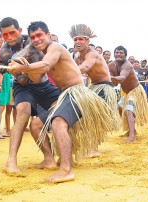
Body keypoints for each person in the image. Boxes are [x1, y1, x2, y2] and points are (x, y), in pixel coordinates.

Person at [7, 21, 114, 183]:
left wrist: (23, 68)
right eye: (32, 37)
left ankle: (66, 170)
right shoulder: (41, 54)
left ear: (48, 35)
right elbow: (37, 77)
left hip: (76, 93)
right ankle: (50, 160)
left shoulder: (54, 47)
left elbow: (46, 65)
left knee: (58, 123)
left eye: (39, 35)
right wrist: (22, 65)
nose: (36, 39)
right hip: (64, 95)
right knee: (36, 124)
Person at [0, 17, 60, 175]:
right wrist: (20, 69)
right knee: (23, 111)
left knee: (63, 109)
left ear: (19, 31)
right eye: (5, 35)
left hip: (44, 84)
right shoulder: (3, 51)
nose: (9, 37)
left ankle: (50, 158)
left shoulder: (33, 41)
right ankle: (11, 160)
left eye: (12, 32)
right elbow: (24, 79)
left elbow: (38, 74)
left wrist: (18, 65)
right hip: (24, 86)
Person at [71, 24, 120, 157]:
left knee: (94, 117)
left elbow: (85, 67)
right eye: (75, 40)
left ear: (88, 41)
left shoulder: (92, 54)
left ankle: (94, 149)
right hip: (93, 87)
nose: (78, 42)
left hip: (104, 87)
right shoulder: (77, 56)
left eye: (81, 39)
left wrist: (66, 71)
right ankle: (87, 146)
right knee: (85, 116)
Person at [108, 46, 148, 142]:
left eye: (121, 53)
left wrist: (107, 76)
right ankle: (132, 130)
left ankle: (132, 136)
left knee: (128, 110)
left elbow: (121, 78)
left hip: (135, 91)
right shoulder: (112, 65)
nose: (118, 54)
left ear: (125, 55)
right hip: (128, 93)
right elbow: (115, 83)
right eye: (117, 52)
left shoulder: (127, 65)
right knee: (119, 107)